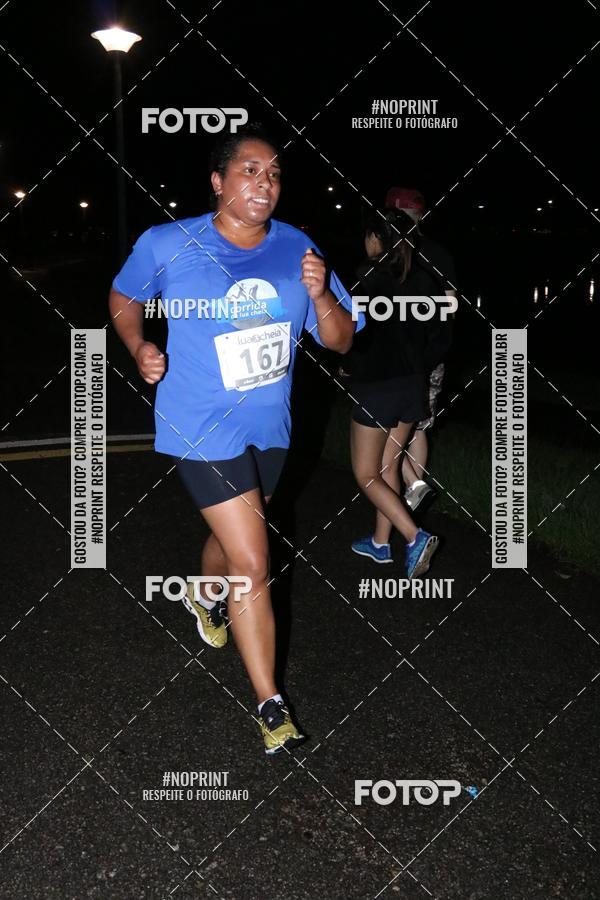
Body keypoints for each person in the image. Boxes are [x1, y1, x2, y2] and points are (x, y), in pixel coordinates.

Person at [108, 123, 361, 755]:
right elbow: (122, 296)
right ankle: (269, 703)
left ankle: (202, 593)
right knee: (253, 561)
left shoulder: (299, 246)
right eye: (250, 170)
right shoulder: (169, 243)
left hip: (270, 430)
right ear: (219, 181)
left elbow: (340, 338)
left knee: (238, 537)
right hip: (198, 426)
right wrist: (139, 343)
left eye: (274, 173)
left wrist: (319, 292)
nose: (264, 183)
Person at [347, 207, 440, 578]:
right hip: (412, 386)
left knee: (366, 474)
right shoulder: (424, 280)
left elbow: (351, 333)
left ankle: (414, 535)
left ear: (374, 239)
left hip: (376, 386)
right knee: (388, 468)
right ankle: (380, 544)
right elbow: (436, 336)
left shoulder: (365, 277)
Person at [384, 187, 457, 514]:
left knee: (388, 428)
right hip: (432, 354)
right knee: (419, 426)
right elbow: (450, 305)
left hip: (400, 358)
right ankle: (415, 494)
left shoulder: (393, 252)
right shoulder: (440, 254)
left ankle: (411, 485)